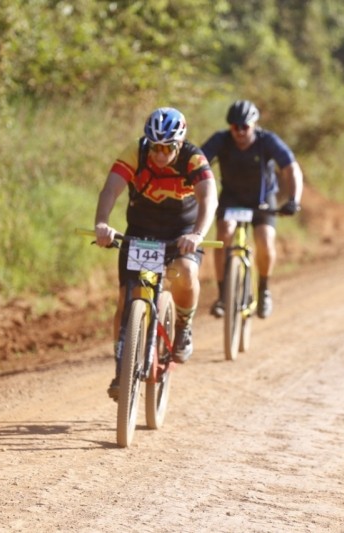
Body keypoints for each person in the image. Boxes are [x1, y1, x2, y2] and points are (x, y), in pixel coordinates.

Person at [94, 107, 218, 400]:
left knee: (186, 272)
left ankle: (184, 325)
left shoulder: (193, 158)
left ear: (178, 144)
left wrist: (197, 235)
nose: (159, 155)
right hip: (141, 232)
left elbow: (208, 198)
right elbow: (110, 190)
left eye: (166, 148)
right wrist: (101, 223)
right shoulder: (135, 152)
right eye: (154, 147)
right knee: (126, 298)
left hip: (182, 234)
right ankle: (121, 369)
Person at [201, 99, 303, 319]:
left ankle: (264, 290)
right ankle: (222, 296)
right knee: (223, 235)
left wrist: (294, 198)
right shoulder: (221, 140)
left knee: (265, 240)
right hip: (232, 197)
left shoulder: (268, 141)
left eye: (244, 127)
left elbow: (290, 168)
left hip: (262, 200)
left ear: (254, 124)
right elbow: (197, 163)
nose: (239, 132)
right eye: (234, 127)